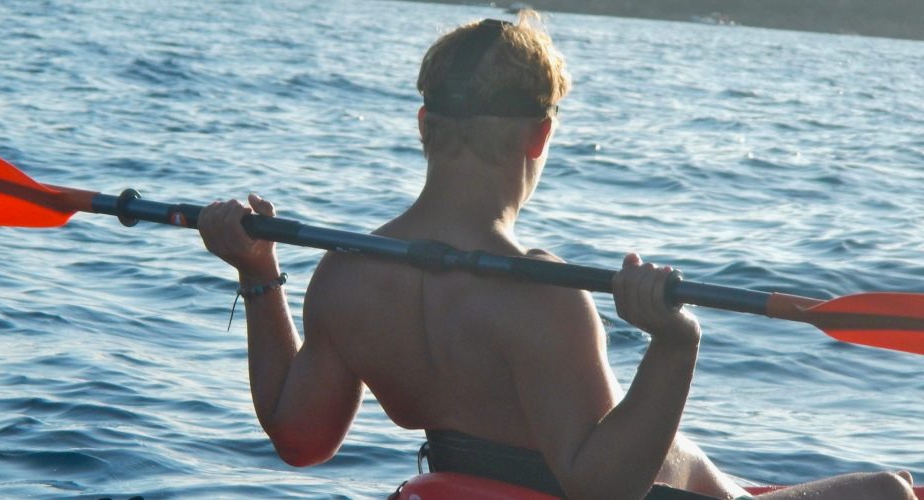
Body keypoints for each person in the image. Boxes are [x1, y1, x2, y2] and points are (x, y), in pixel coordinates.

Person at [195, 12, 917, 500]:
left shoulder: (346, 274)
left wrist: (260, 277)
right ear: (539, 136)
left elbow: (300, 439)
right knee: (887, 489)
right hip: (669, 491)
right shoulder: (541, 294)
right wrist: (674, 342)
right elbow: (597, 488)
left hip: (490, 469)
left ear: (425, 124)